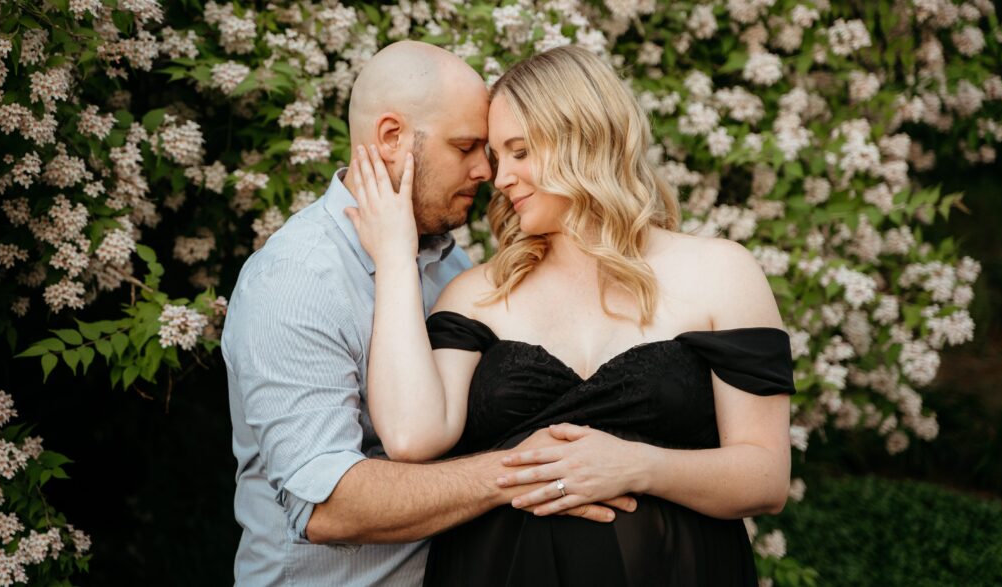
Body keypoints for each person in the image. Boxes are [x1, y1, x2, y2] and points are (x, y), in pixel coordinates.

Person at [346, 44, 797, 586]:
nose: (497, 175)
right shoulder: (478, 292)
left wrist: (638, 465)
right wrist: (395, 258)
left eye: (519, 151)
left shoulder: (721, 273)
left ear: (584, 139)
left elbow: (766, 477)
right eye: (494, 153)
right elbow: (410, 437)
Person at [221, 41, 635, 586]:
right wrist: (525, 472)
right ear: (392, 138)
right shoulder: (296, 282)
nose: (486, 170)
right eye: (465, 147)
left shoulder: (448, 261)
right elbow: (326, 506)